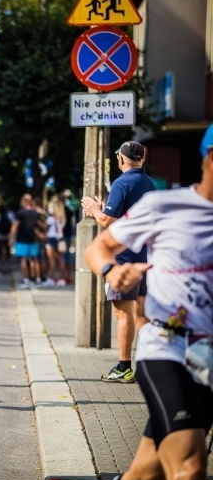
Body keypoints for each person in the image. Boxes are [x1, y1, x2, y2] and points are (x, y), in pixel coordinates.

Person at [72, 133, 213, 480]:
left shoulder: (132, 183)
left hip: (209, 362)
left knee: (146, 477)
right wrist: (112, 270)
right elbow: (99, 245)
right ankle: (123, 361)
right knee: (189, 470)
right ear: (210, 157)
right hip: (167, 347)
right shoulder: (164, 203)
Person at [81, 141, 156, 383]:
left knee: (122, 313)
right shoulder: (149, 183)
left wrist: (94, 210)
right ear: (141, 159)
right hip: (145, 256)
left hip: (122, 259)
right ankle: (149, 364)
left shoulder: (122, 183)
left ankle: (124, 366)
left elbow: (110, 223)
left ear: (121, 160)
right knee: (141, 312)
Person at [9, 193, 42, 288]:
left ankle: (26, 279)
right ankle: (37, 279)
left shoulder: (20, 212)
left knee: (23, 259)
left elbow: (15, 226)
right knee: (34, 259)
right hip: (33, 239)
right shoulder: (35, 212)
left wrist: (11, 237)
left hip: (22, 239)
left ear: (23, 201)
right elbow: (36, 227)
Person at [44, 195, 68, 287]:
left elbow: (46, 229)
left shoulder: (50, 219)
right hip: (60, 238)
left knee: (52, 261)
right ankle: (62, 279)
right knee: (61, 259)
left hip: (51, 239)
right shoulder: (62, 218)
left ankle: (51, 279)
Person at [0, 203, 13, 273]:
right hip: (7, 237)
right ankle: (9, 267)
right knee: (8, 252)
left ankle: (3, 266)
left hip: (0, 237)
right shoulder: (9, 218)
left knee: (1, 253)